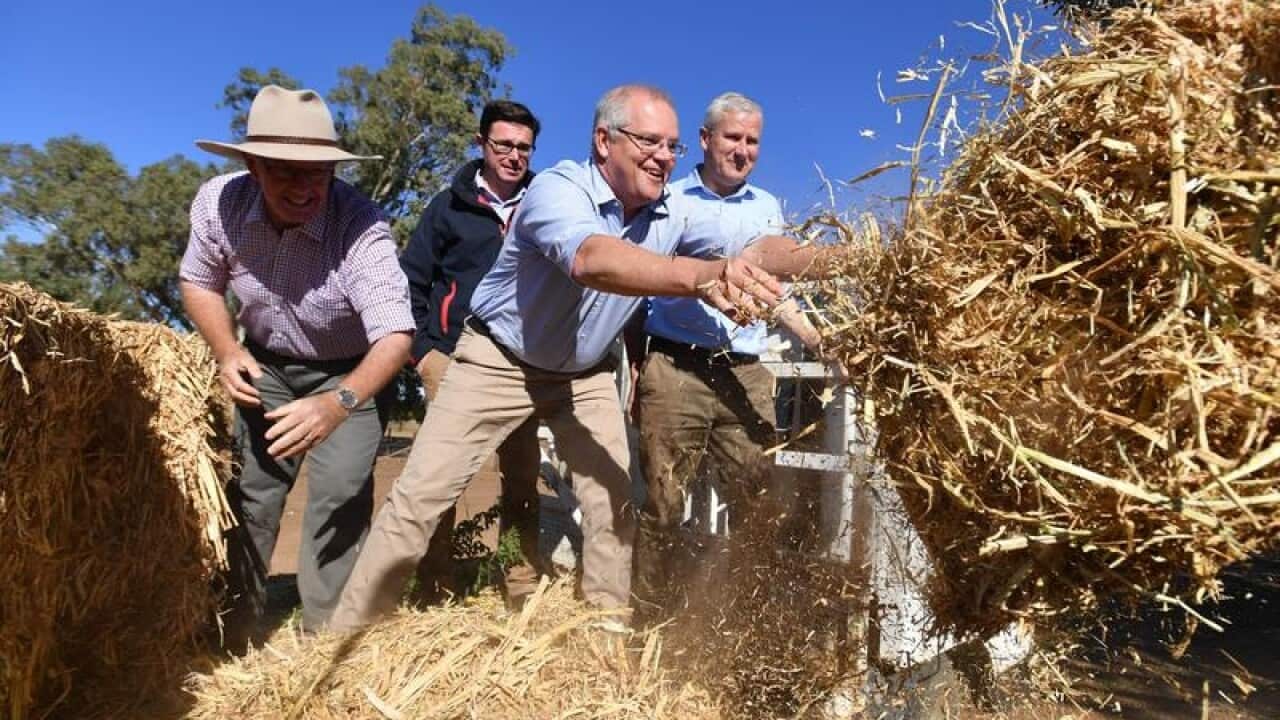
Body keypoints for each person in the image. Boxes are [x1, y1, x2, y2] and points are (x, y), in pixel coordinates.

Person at [329, 84, 795, 632]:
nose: (664, 157)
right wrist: (699, 276)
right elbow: (589, 259)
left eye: (671, 147)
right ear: (604, 140)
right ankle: (346, 639)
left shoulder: (672, 210)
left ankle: (606, 643)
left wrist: (851, 256)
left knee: (613, 508)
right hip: (499, 360)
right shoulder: (555, 189)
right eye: (649, 141)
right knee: (419, 498)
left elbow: (760, 249)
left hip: (585, 375)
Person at [179, 85, 413, 644]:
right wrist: (227, 350)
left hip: (349, 372)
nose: (306, 187)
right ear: (254, 167)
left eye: (319, 173)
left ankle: (326, 635)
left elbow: (395, 336)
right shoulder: (219, 204)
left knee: (341, 492)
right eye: (287, 170)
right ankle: (230, 629)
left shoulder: (362, 228)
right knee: (253, 495)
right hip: (267, 367)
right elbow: (198, 281)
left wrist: (340, 402)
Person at [630, 92, 833, 626]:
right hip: (676, 366)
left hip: (745, 368)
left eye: (752, 141)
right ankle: (651, 621)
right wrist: (630, 359)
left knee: (761, 492)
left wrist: (818, 340)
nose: (742, 150)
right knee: (665, 499)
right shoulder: (670, 200)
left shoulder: (766, 208)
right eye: (732, 138)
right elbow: (639, 280)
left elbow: (775, 289)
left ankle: (746, 620)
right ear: (705, 139)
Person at [400, 100, 544, 607]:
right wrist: (423, 353)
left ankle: (521, 583)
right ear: (481, 144)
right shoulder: (447, 206)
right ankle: (437, 586)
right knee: (442, 476)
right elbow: (412, 280)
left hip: (522, 361)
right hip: (452, 358)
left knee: (523, 475)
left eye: (523, 147)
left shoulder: (545, 205)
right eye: (503, 144)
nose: (513, 156)